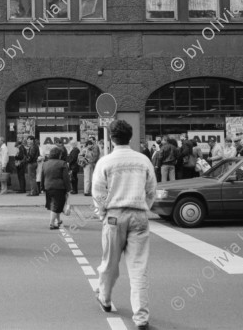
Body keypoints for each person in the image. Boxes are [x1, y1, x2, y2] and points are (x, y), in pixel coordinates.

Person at [91, 120, 156, 330]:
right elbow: (151, 189)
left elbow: (98, 193)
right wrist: (144, 206)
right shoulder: (143, 160)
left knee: (109, 263)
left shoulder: (105, 162)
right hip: (139, 216)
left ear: (111, 138)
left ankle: (105, 299)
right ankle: (141, 318)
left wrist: (103, 214)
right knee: (138, 268)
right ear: (131, 137)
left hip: (114, 216)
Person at [41, 146, 71, 230]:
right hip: (59, 187)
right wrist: (69, 189)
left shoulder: (45, 163)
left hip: (48, 187)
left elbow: (42, 176)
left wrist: (42, 188)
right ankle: (51, 223)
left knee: (56, 205)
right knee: (56, 205)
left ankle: (59, 221)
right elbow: (66, 178)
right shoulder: (62, 163)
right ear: (59, 155)